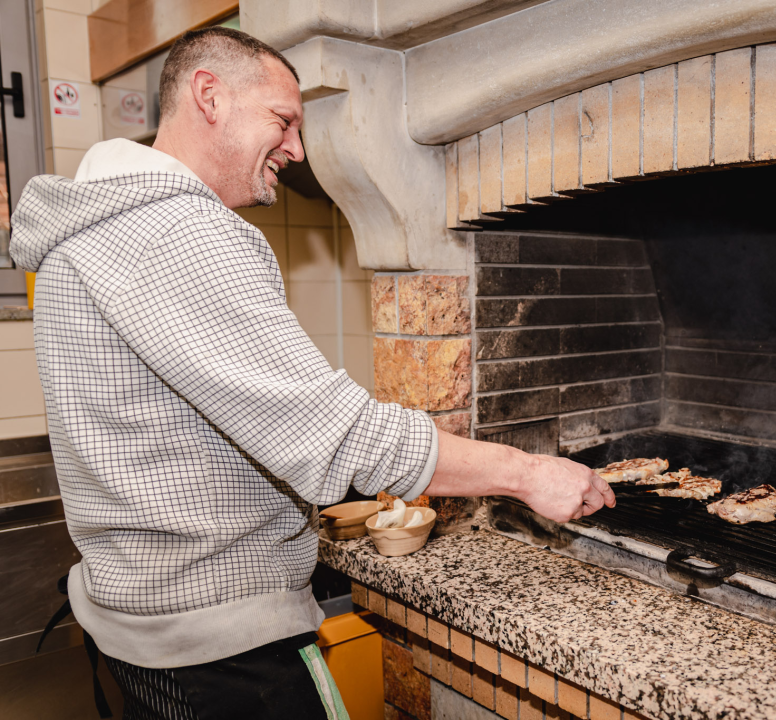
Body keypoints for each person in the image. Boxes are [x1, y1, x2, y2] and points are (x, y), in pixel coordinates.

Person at [10, 26, 613, 719]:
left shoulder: (86, 234)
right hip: (221, 652)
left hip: (144, 630)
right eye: (284, 120)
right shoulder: (177, 232)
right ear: (209, 95)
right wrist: (528, 474)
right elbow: (339, 437)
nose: (297, 149)